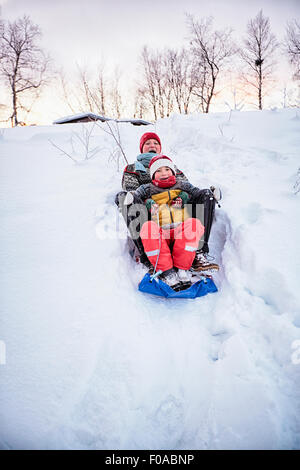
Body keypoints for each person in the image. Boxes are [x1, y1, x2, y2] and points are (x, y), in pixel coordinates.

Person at [115, 132, 220, 272]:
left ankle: (198, 252)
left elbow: (188, 188)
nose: (152, 145)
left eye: (156, 143)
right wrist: (150, 201)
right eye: (148, 143)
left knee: (207, 195)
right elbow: (132, 192)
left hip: (178, 211)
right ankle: (148, 256)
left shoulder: (173, 167)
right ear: (141, 148)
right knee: (125, 198)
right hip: (152, 212)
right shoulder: (133, 168)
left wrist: (183, 197)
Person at [132, 154, 212, 291]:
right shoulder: (147, 189)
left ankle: (183, 268)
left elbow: (198, 194)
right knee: (148, 228)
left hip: (180, 230)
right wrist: (147, 203)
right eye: (158, 171)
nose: (163, 173)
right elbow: (134, 197)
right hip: (161, 232)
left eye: (167, 169)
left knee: (193, 224)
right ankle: (167, 271)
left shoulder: (183, 185)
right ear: (152, 175)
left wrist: (185, 197)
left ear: (173, 171)